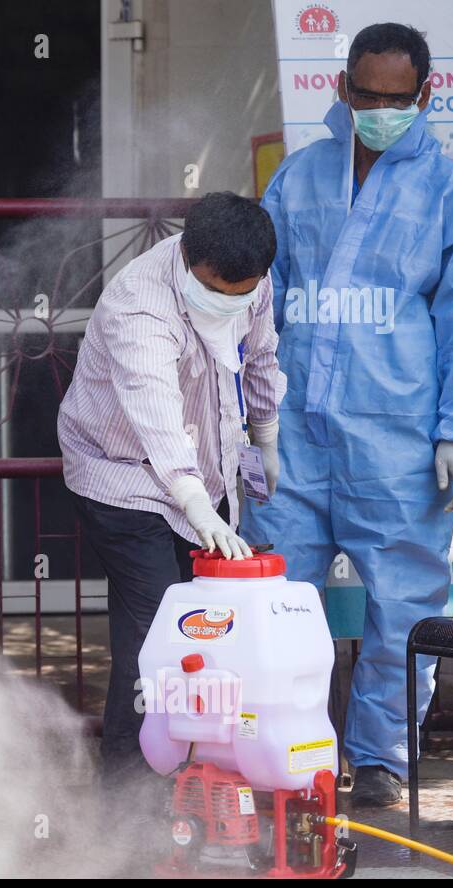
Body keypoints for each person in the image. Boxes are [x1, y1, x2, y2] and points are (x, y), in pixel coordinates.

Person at [243, 24, 453, 806]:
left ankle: (382, 760)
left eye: (397, 98)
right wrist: (251, 414)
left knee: (401, 608)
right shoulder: (298, 178)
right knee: (277, 599)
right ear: (342, 88)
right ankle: (280, 753)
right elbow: (260, 300)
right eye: (367, 95)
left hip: (397, 439)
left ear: (426, 94)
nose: (380, 110)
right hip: (294, 433)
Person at [57, 191, 285, 784]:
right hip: (121, 477)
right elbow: (155, 410)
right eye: (217, 290)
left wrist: (267, 437)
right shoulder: (140, 304)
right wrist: (192, 500)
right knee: (157, 635)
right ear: (187, 256)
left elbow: (260, 358)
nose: (230, 303)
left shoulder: (253, 284)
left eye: (243, 292)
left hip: (201, 480)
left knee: (203, 632)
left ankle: (196, 777)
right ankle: (128, 801)